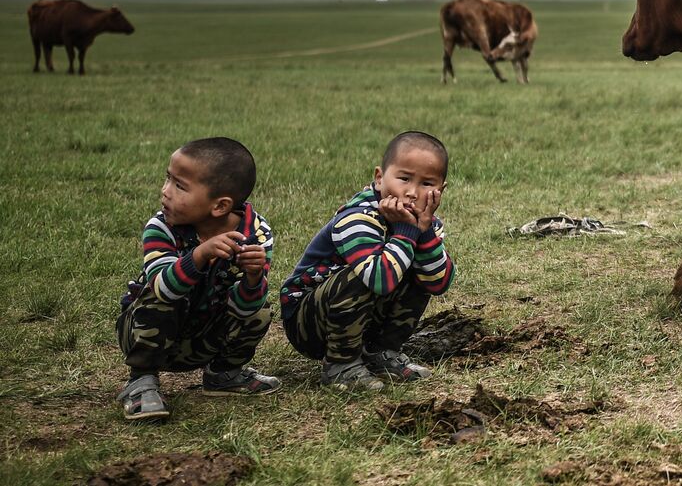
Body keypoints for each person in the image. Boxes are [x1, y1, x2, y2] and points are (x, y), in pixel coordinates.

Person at [117, 137, 279, 421]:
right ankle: (141, 380)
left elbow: (244, 309)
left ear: (220, 206)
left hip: (206, 337)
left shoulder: (256, 233)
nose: (165, 192)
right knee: (157, 294)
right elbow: (163, 290)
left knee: (261, 307)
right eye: (168, 179)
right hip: (150, 334)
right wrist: (199, 255)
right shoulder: (162, 228)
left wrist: (253, 278)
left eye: (179, 186)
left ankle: (223, 374)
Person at [281, 131, 456, 390]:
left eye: (427, 184)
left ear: (440, 190)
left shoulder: (425, 223)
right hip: (309, 323)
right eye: (404, 178)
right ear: (379, 177)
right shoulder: (357, 218)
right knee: (366, 273)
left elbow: (438, 283)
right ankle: (341, 365)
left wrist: (424, 231)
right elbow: (379, 281)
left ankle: (381, 352)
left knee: (418, 268)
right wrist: (407, 233)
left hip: (362, 315)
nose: (412, 192)